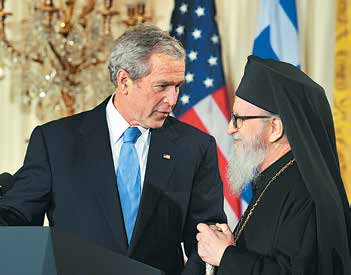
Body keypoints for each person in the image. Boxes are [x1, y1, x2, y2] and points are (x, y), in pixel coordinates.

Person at [0, 25, 226, 275]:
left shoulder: (194, 147)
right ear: (124, 81)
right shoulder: (56, 141)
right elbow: (18, 216)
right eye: (162, 86)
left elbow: (206, 238)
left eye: (177, 86)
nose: (172, 99)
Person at [196, 55, 351, 274]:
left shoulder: (305, 192)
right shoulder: (272, 179)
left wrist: (225, 256)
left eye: (238, 118)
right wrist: (232, 245)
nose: (230, 129)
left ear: (275, 128)